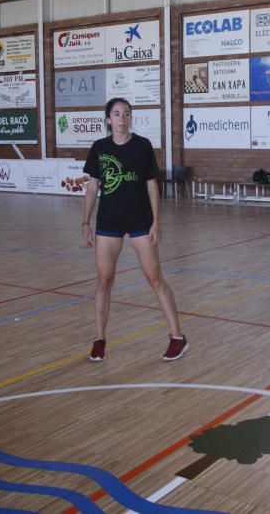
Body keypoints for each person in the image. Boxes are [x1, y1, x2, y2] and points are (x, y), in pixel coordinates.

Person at [82, 98, 187, 362]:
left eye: (126, 114)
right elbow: (93, 187)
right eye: (117, 114)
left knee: (155, 278)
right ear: (108, 119)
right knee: (104, 280)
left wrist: (156, 221)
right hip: (108, 223)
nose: (122, 118)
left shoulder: (142, 146)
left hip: (140, 221)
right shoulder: (99, 148)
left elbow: (152, 185)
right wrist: (85, 222)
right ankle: (99, 339)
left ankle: (177, 336)